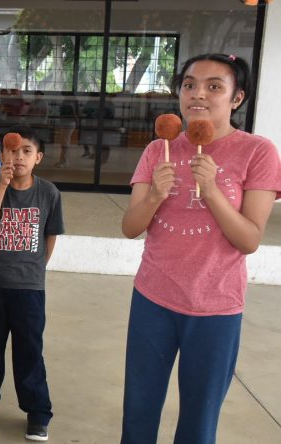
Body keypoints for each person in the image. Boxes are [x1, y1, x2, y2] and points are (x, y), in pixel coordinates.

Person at [120, 54, 281, 444]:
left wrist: (210, 190)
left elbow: (249, 239)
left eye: (214, 86)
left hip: (216, 307)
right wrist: (156, 194)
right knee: (139, 410)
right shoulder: (159, 150)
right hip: (153, 298)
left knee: (198, 419)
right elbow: (130, 228)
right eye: (189, 84)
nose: (198, 94)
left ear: (237, 98)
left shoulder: (257, 152)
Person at [0, 126, 64, 442]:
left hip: (29, 289)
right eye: (12, 150)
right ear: (2, 155)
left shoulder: (48, 193)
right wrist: (1, 186)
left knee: (29, 351)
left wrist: (38, 269)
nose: (18, 157)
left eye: (26, 151)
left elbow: (51, 234)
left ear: (38, 157)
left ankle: (38, 413)